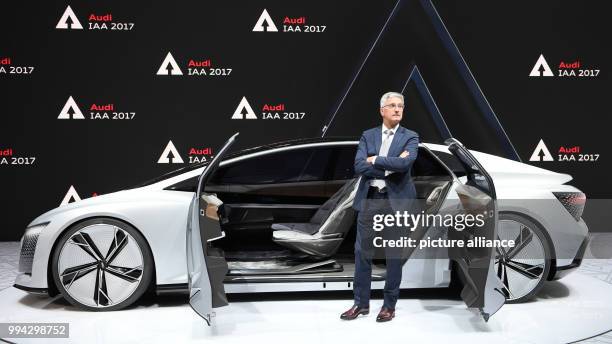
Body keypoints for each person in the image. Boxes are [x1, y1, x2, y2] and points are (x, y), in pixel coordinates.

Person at [340, 91, 419, 322]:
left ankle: (389, 306)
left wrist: (374, 160)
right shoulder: (368, 135)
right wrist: (389, 166)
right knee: (362, 254)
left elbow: (406, 163)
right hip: (370, 200)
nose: (397, 109)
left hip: (397, 203)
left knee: (394, 256)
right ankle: (360, 304)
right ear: (382, 110)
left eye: (401, 106)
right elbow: (358, 166)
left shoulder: (410, 136)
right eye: (392, 106)